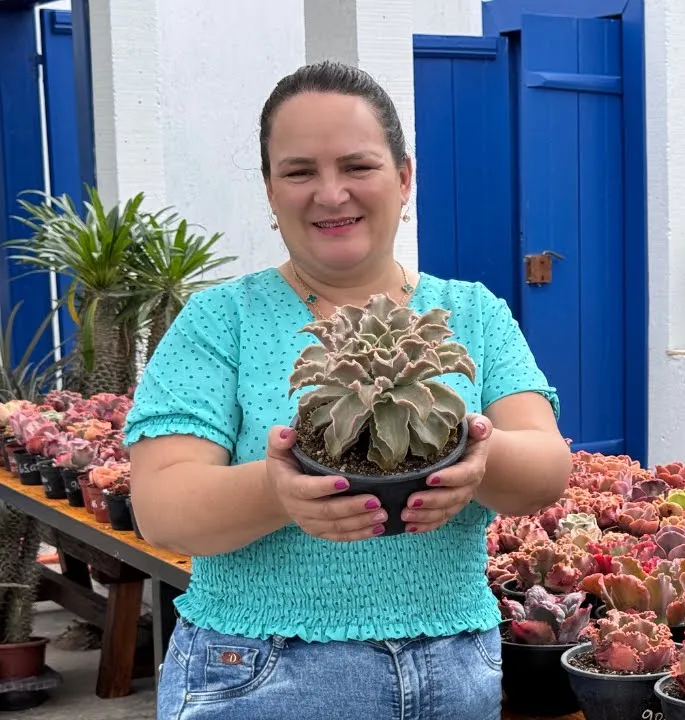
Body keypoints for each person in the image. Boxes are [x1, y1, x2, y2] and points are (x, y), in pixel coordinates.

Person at [124, 60, 572, 719]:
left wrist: (479, 456)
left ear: (404, 177)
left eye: (357, 166)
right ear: (270, 191)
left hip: (451, 672)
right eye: (299, 172)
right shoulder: (222, 320)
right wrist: (277, 490)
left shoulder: (471, 313)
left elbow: (546, 466)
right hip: (261, 674)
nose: (331, 194)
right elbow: (161, 507)